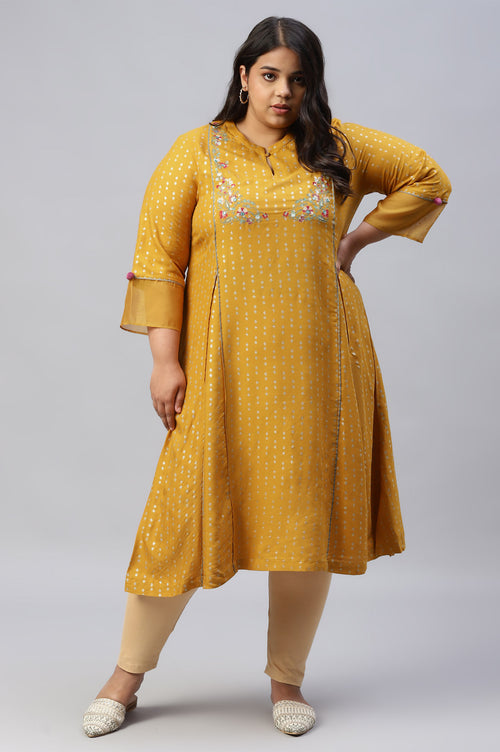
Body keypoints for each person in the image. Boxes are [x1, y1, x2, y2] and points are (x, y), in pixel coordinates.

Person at [82, 16, 451, 738]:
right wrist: (164, 361)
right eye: (271, 75)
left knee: (304, 522)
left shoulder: (336, 148)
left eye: (299, 79)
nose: (284, 92)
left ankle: (287, 679)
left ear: (312, 85)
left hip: (318, 366)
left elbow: (429, 179)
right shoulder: (196, 151)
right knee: (179, 521)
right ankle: (125, 675)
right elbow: (158, 260)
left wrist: (353, 240)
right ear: (244, 76)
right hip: (220, 369)